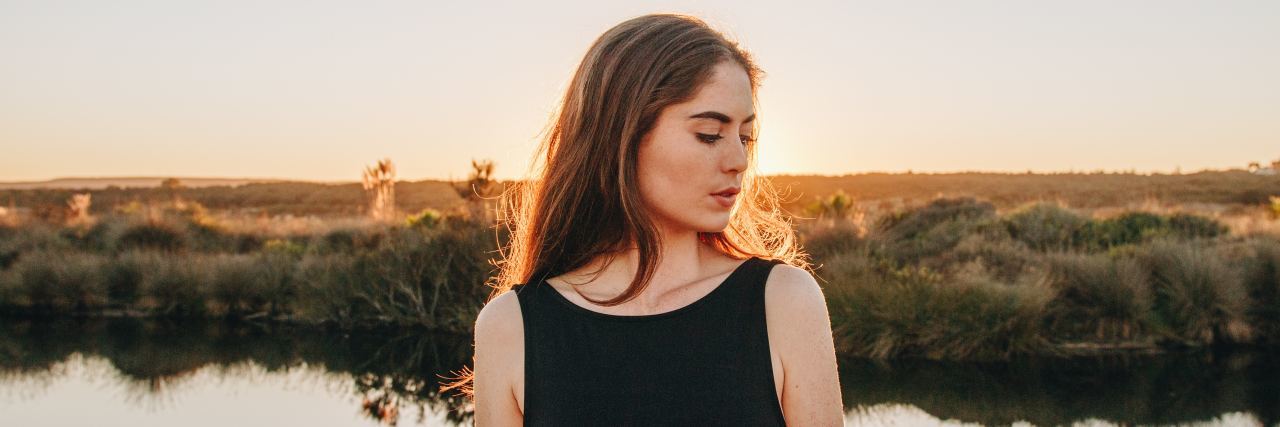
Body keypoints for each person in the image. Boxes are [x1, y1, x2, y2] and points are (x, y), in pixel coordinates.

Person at [457, 13, 843, 426]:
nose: (739, 160)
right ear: (620, 135)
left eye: (745, 137)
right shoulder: (511, 328)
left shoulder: (783, 303)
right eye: (710, 134)